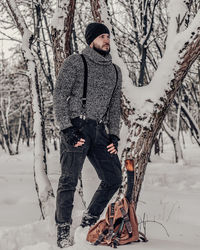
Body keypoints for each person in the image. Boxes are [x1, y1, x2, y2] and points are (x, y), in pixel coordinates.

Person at [53, 22, 122, 248]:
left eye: (108, 37)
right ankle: (63, 231)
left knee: (113, 179)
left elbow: (114, 107)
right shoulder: (76, 62)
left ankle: (88, 223)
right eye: (102, 36)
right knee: (68, 180)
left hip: (100, 131)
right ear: (91, 39)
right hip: (76, 127)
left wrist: (114, 136)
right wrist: (66, 129)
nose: (107, 40)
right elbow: (59, 96)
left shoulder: (114, 70)